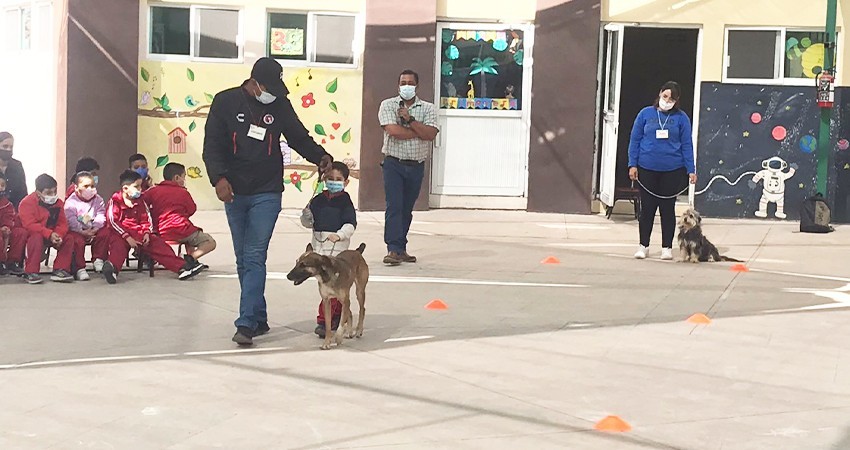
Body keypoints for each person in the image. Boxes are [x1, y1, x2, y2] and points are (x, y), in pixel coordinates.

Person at [203, 57, 332, 346]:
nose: (271, 92)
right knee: (242, 259)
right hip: (234, 191)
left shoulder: (279, 105)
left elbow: (298, 136)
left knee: (253, 256)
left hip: (267, 191)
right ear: (254, 82)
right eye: (268, 86)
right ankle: (259, 317)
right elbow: (212, 145)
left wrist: (319, 155)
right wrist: (218, 179)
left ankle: (246, 323)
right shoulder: (225, 102)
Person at [628, 81, 697, 260]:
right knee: (647, 209)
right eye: (665, 96)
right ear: (659, 94)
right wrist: (632, 164)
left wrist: (691, 169)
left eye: (671, 99)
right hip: (647, 167)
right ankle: (643, 245)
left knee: (667, 209)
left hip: (672, 169)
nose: (667, 101)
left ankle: (667, 247)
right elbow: (634, 140)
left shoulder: (681, 118)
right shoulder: (645, 114)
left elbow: (687, 144)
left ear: (677, 100)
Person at [378, 69, 439, 266]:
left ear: (417, 85)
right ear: (398, 85)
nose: (406, 86)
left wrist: (411, 121)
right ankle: (393, 249)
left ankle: (401, 248)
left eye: (410, 83)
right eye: (403, 82)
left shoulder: (428, 108)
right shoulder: (388, 105)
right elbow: (393, 131)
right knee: (394, 206)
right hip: (393, 163)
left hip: (416, 166)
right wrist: (419, 131)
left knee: (406, 208)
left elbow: (431, 134)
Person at [103, 170, 204, 284]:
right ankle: (112, 269)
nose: (140, 190)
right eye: (136, 187)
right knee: (118, 248)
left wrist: (146, 232)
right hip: (121, 234)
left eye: (140, 186)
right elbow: (112, 221)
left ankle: (182, 268)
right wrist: (126, 237)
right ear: (125, 188)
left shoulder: (140, 201)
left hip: (140, 233)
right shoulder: (115, 201)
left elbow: (146, 218)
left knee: (160, 246)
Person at [309, 161, 357, 338]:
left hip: (336, 247)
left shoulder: (345, 201)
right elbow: (309, 221)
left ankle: (329, 319)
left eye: (338, 179)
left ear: (346, 182)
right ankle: (327, 317)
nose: (333, 182)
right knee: (323, 284)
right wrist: (306, 218)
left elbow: (351, 223)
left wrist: (341, 235)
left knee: (334, 283)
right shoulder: (317, 200)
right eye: (329, 179)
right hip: (319, 244)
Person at [17, 174, 85, 284]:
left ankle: (61, 269)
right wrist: (49, 234)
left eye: (55, 191)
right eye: (48, 193)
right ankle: (31, 272)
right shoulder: (26, 203)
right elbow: (29, 225)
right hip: (35, 235)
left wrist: (59, 235)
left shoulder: (58, 203)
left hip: (53, 234)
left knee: (69, 238)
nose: (53, 195)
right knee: (36, 238)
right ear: (38, 193)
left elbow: (63, 223)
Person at [144, 163, 216, 262]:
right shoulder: (183, 193)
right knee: (209, 242)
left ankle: (192, 261)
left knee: (190, 235)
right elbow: (192, 209)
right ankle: (189, 259)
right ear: (177, 178)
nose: (184, 180)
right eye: (184, 177)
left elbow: (142, 204)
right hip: (182, 230)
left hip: (160, 231)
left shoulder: (153, 191)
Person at [64, 171, 106, 280]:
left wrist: (96, 228)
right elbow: (71, 220)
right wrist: (82, 231)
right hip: (78, 230)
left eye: (92, 186)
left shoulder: (98, 200)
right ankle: (80, 268)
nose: (90, 189)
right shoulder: (71, 202)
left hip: (93, 229)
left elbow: (101, 214)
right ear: (77, 187)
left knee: (105, 233)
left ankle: (98, 259)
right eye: (86, 186)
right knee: (77, 241)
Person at [0, 173, 27, 275]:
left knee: (20, 232)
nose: (0, 188)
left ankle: (11, 262)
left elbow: (10, 217)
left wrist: (6, 226)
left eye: (2, 185)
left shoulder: (7, 204)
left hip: (5, 229)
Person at [0, 131, 28, 209]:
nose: (8, 149)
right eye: (5, 146)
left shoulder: (17, 166)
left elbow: (23, 193)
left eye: (11, 147)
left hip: (15, 213)